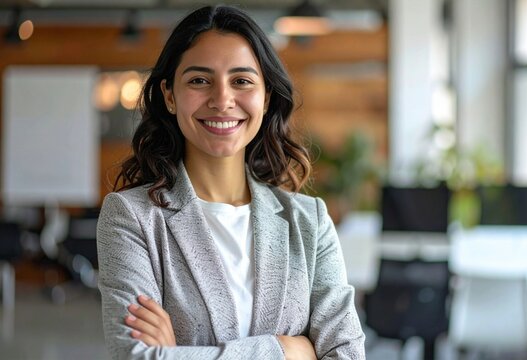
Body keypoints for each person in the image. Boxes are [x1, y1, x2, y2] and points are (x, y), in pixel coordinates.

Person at [96, 4, 365, 360]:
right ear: (170, 96)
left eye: (241, 81)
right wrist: (286, 350)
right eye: (199, 80)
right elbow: (135, 356)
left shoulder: (309, 221)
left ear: (266, 97)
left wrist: (179, 353)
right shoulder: (131, 217)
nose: (222, 100)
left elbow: (347, 353)